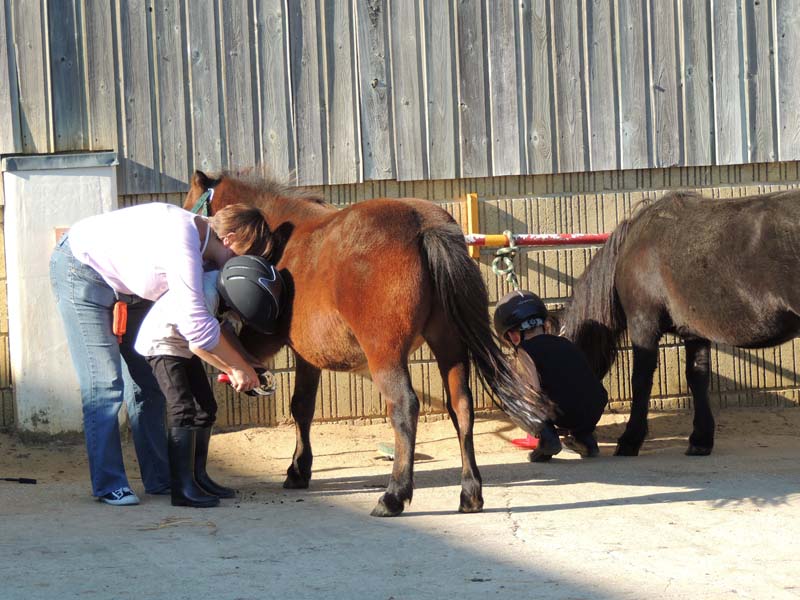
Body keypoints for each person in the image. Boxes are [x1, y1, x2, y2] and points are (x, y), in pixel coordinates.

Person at [49, 201, 271, 506]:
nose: (232, 268)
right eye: (238, 258)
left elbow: (212, 322)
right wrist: (237, 368)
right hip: (82, 270)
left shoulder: (205, 253)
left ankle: (160, 479)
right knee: (104, 384)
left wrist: (244, 360)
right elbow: (197, 328)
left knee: (148, 383)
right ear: (229, 240)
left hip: (130, 290)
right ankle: (109, 483)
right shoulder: (184, 244)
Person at [135, 255, 284, 508]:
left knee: (206, 408)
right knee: (183, 409)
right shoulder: (206, 293)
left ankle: (198, 477)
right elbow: (200, 344)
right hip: (162, 344)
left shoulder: (223, 289)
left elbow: (222, 330)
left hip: (183, 343)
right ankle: (182, 489)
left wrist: (249, 362)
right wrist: (235, 369)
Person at [494, 290, 608, 462]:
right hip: (595, 408)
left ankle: (548, 440)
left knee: (513, 396)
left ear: (512, 335)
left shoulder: (525, 351)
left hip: (565, 412)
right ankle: (585, 439)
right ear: (544, 325)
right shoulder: (565, 342)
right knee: (570, 394)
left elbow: (533, 392)